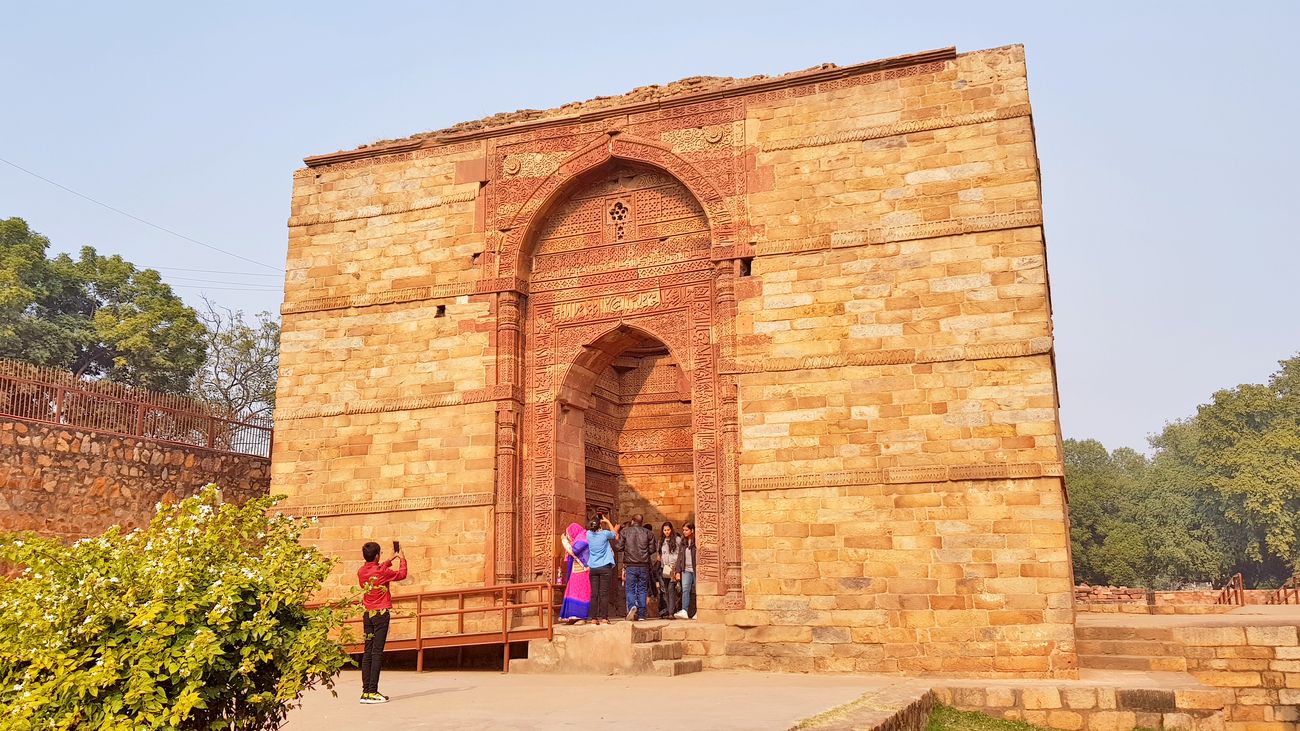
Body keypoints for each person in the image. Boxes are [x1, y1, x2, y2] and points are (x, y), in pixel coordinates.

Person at [357, 541, 408, 704]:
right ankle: (373, 691)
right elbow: (401, 575)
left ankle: (366, 692)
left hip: (368, 614)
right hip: (381, 613)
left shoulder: (361, 571)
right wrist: (402, 560)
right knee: (377, 652)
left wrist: (391, 558)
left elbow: (377, 569)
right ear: (377, 555)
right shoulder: (383, 571)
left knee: (368, 652)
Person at [618, 514, 654, 621]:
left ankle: (631, 608)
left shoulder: (625, 532)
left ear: (632, 521)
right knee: (642, 590)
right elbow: (652, 550)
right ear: (641, 522)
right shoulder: (648, 533)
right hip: (643, 565)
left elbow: (619, 547)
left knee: (630, 589)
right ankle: (642, 615)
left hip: (630, 565)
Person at [586, 514, 620, 625]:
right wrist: (607, 521)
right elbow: (615, 534)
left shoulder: (588, 534)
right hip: (605, 566)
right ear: (600, 524)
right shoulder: (604, 534)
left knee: (594, 594)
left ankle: (593, 618)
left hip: (593, 567)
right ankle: (605, 618)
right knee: (604, 593)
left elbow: (591, 529)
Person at [559, 522, 591, 624]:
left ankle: (581, 617)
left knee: (581, 593)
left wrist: (564, 541)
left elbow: (574, 551)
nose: (569, 537)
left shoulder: (583, 539)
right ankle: (571, 616)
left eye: (569, 534)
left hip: (583, 571)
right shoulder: (578, 539)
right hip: (575, 571)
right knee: (572, 592)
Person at [655, 521, 682, 619]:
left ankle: (671, 612)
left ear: (671, 530)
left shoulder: (677, 540)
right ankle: (669, 610)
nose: (667, 532)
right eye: (665, 530)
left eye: (668, 530)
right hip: (664, 568)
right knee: (665, 590)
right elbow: (659, 553)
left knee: (671, 589)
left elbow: (680, 554)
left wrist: (678, 568)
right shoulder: (661, 541)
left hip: (673, 568)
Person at [673, 522, 696, 620]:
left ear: (692, 530)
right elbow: (680, 557)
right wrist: (678, 571)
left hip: (696, 569)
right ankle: (684, 610)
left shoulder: (697, 541)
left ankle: (698, 611)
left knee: (697, 590)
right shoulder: (683, 542)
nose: (684, 532)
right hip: (686, 569)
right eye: (683, 530)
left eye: (686, 530)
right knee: (685, 590)